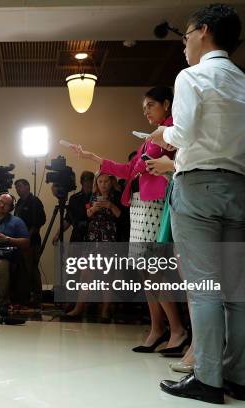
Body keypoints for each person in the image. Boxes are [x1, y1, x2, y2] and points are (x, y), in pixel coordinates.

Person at [148, 4, 245, 404]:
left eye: (187, 34)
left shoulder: (193, 75)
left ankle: (208, 378)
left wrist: (164, 134)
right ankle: (238, 377)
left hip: (197, 186)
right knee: (236, 288)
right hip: (236, 184)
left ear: (205, 31)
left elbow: (184, 132)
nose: (184, 43)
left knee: (203, 285)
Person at [69, 86, 188, 356]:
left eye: (150, 105)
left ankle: (177, 329)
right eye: (144, 106)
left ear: (166, 104)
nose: (145, 110)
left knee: (155, 270)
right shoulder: (153, 136)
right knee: (147, 273)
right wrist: (93, 158)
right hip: (140, 205)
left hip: (154, 203)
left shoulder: (171, 130)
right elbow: (129, 169)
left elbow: (169, 163)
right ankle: (158, 328)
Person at [65, 173, 122, 320]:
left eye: (106, 181)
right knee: (86, 274)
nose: (103, 184)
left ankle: (105, 309)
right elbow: (87, 214)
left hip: (109, 238)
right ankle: (79, 307)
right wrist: (93, 209)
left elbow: (121, 215)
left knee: (107, 276)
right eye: (100, 181)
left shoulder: (117, 195)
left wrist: (110, 205)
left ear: (111, 182)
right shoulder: (92, 195)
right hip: (92, 238)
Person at [14, 179, 46, 305]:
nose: (18, 189)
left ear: (27, 186)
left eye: (20, 186)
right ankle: (24, 295)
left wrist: (27, 237)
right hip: (19, 241)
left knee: (31, 268)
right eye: (16, 187)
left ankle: (37, 296)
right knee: (23, 269)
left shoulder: (34, 201)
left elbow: (39, 221)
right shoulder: (20, 202)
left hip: (31, 241)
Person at [53, 170, 94, 244]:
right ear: (82, 182)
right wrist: (58, 234)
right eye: (86, 181)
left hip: (93, 237)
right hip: (77, 236)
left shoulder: (97, 198)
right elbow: (68, 219)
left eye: (91, 181)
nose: (89, 184)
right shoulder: (74, 198)